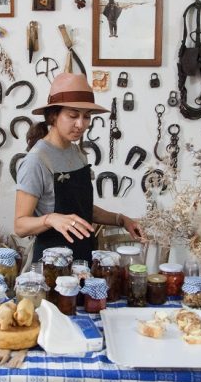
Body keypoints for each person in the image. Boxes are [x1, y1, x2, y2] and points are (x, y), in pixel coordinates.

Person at [14, 73, 145, 263]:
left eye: (86, 117)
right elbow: (20, 226)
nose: (81, 125)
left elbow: (82, 209)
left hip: (83, 259)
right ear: (53, 116)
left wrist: (122, 219)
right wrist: (50, 219)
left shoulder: (77, 153)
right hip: (53, 266)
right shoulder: (37, 160)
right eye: (73, 115)